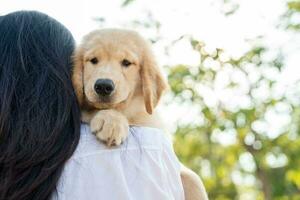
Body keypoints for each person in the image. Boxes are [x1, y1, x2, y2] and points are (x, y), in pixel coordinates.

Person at [0, 11, 188, 200]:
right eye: (93, 60)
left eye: (126, 62)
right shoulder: (150, 147)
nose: (105, 77)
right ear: (72, 74)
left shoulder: (150, 139)